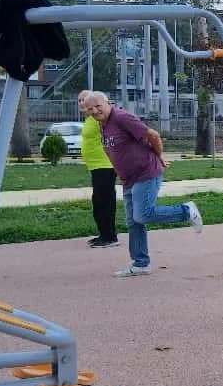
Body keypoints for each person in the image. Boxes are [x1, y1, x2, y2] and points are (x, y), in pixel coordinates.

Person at [85, 93, 203, 277]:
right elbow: (111, 149)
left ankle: (186, 211)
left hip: (146, 172)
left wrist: (159, 155)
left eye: (98, 106)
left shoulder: (122, 117)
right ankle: (141, 264)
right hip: (128, 178)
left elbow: (153, 135)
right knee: (133, 222)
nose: (94, 111)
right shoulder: (103, 124)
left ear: (108, 103)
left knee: (143, 215)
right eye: (90, 109)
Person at [78, 90, 118, 248]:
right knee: (98, 202)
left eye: (84, 99)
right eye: (80, 100)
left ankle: (110, 237)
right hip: (96, 166)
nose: (82, 102)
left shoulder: (98, 118)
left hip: (105, 165)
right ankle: (104, 234)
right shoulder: (89, 119)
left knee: (105, 201)